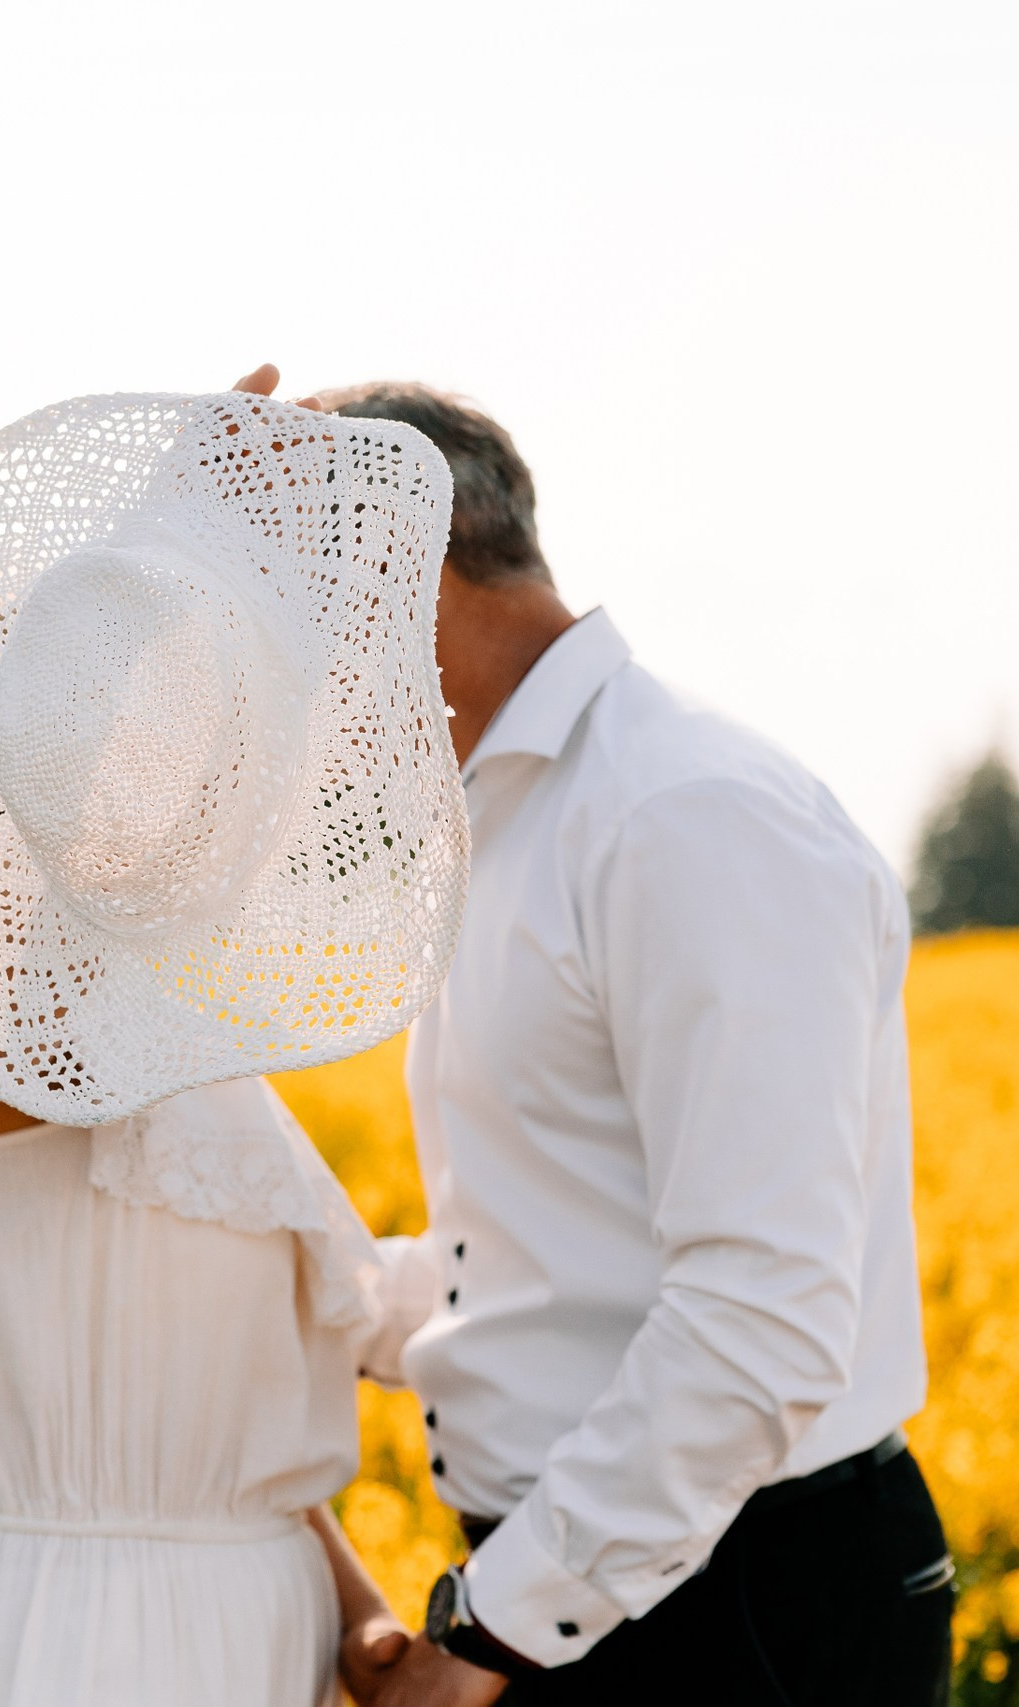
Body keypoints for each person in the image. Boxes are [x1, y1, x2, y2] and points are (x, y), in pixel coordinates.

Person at [0, 390, 472, 1706]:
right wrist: (166, 545)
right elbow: (106, 1482)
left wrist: (356, 1609)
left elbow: (187, 1427)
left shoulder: (116, 1008)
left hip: (224, 1630)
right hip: (78, 1655)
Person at [231, 370, 952, 1706]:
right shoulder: (511, 823)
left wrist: (493, 1634)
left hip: (736, 1606)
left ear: (392, 574)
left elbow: (759, 1317)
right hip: (619, 1585)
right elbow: (545, 1270)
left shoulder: (684, 817)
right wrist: (269, 1290)